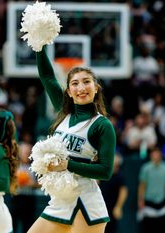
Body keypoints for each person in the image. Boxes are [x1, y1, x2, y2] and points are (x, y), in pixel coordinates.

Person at [27, 45, 116, 233]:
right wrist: (39, 44)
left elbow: (106, 171)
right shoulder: (63, 113)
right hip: (61, 200)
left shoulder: (102, 125)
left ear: (96, 88)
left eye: (86, 82)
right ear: (68, 91)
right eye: (75, 83)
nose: (81, 88)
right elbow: (47, 77)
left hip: (85, 202)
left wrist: (68, 165)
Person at [137, 147, 165, 233]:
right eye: (154, 154)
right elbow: (142, 186)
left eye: (158, 154)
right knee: (148, 228)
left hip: (162, 202)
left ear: (161, 155)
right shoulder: (146, 168)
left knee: (162, 228)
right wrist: (140, 200)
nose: (156, 156)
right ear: (151, 155)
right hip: (148, 202)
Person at [99, 154, 128, 233]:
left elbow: (124, 192)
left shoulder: (119, 176)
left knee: (111, 228)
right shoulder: (104, 174)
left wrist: (118, 207)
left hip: (112, 208)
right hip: (101, 207)